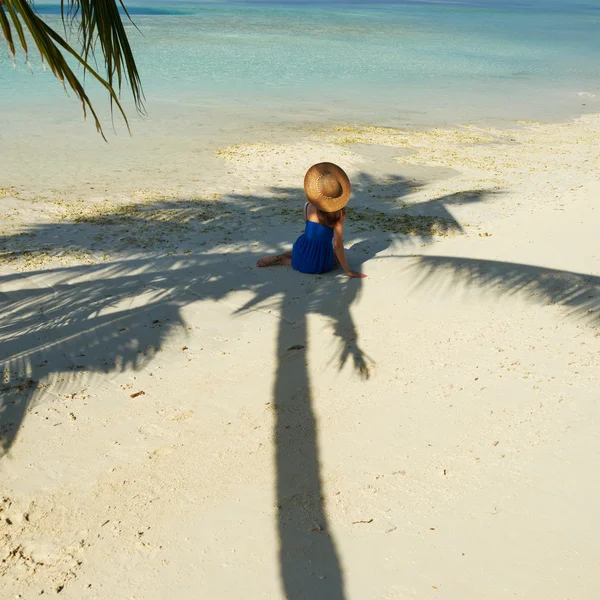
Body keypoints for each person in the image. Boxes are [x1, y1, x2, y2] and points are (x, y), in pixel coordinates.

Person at [257, 162, 366, 279]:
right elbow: (337, 245)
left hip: (301, 247)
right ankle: (286, 261)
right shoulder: (339, 213)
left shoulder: (308, 205)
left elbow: (309, 227)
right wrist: (348, 271)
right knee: (334, 260)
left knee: (307, 248)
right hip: (319, 261)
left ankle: (281, 257)